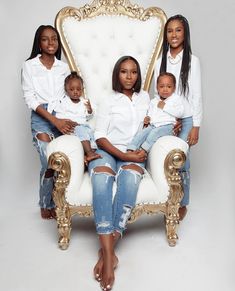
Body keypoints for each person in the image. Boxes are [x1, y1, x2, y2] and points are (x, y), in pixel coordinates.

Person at [88, 56, 150, 290]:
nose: (129, 76)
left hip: (133, 152)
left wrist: (173, 123)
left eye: (134, 72)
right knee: (102, 182)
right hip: (106, 150)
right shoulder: (108, 100)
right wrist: (124, 156)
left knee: (130, 183)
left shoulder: (145, 98)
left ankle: (106, 253)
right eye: (124, 72)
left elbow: (155, 119)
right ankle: (109, 257)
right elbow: (100, 136)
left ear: (138, 76)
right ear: (117, 74)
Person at [21, 25, 76, 219]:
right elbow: (30, 98)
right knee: (48, 161)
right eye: (45, 39)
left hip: (61, 114)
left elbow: (68, 94)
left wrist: (74, 112)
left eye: (54, 38)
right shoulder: (30, 66)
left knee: (66, 158)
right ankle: (46, 202)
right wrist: (54, 120)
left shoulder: (63, 67)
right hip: (42, 118)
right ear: (39, 43)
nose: (51, 43)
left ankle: (64, 201)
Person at [154, 15, 203, 220]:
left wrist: (196, 126)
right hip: (166, 119)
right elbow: (157, 95)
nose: (174, 35)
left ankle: (183, 202)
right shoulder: (160, 61)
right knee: (162, 158)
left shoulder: (193, 61)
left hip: (187, 119)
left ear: (185, 33)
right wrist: (163, 118)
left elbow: (196, 95)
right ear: (166, 35)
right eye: (170, 31)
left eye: (178, 30)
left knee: (181, 160)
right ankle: (166, 198)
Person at [127, 72, 184, 154]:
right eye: (161, 86)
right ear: (157, 88)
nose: (165, 89)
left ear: (174, 88)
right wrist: (148, 118)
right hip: (154, 125)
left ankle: (143, 150)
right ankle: (131, 148)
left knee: (154, 134)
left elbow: (180, 113)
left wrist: (165, 106)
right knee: (142, 133)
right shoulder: (154, 101)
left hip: (167, 126)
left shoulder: (175, 99)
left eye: (169, 86)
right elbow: (151, 112)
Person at [55, 71, 101, 162]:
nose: (75, 92)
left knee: (92, 136)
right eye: (72, 89)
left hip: (84, 127)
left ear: (82, 89)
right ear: (66, 89)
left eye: (78, 89)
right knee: (81, 131)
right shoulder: (64, 102)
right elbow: (59, 115)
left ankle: (91, 152)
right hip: (72, 128)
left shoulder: (84, 102)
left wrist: (89, 110)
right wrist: (69, 122)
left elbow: (88, 117)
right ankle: (89, 153)